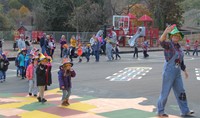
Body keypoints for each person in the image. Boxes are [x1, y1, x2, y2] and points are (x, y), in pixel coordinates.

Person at [157, 25, 194, 117]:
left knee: (181, 91)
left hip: (177, 73)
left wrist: (184, 70)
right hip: (169, 72)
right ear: (171, 36)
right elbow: (161, 42)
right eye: (174, 36)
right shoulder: (169, 45)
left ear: (179, 37)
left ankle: (185, 111)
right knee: (165, 92)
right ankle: (160, 111)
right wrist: (165, 32)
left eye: (177, 36)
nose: (176, 37)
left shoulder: (179, 47)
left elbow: (181, 61)